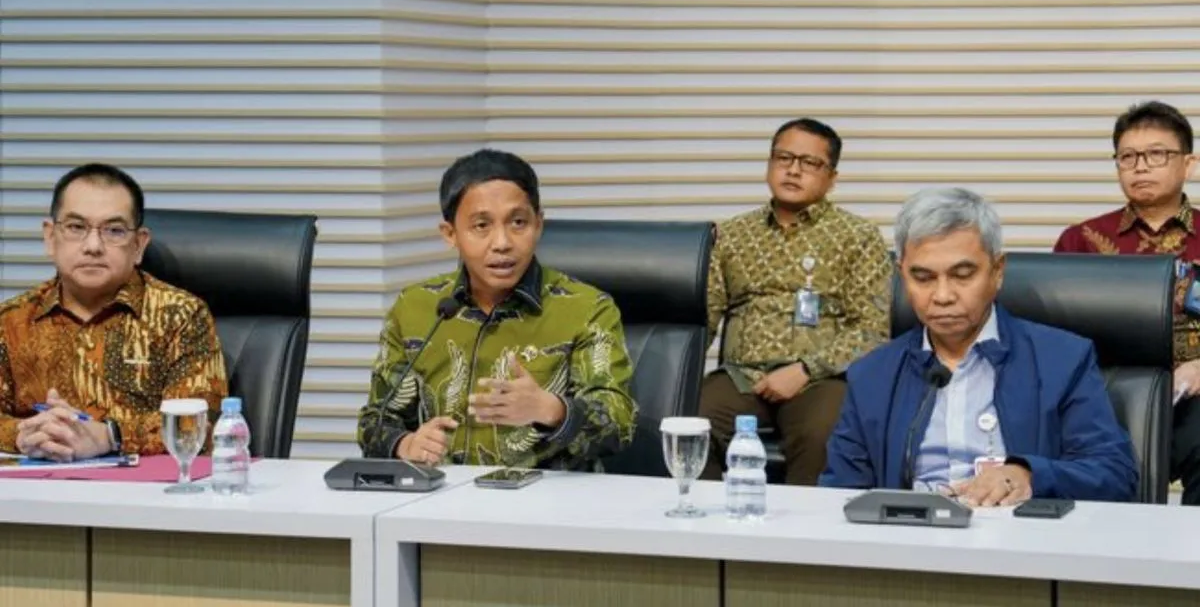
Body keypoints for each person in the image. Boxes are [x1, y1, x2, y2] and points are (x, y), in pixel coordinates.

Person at [821, 188, 1137, 504]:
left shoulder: (1062, 359)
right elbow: (839, 495)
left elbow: (1114, 475)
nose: (942, 296)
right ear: (902, 275)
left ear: (997, 271)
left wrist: (1029, 475)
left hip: (1016, 527)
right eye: (924, 278)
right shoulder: (872, 374)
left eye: (962, 275)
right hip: (910, 530)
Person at [357, 149, 636, 469]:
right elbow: (374, 422)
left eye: (518, 222)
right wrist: (405, 444)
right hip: (444, 493)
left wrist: (551, 410)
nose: (502, 242)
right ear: (450, 234)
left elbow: (620, 422)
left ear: (539, 224)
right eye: (481, 225)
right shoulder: (415, 308)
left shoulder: (587, 309)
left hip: (548, 495)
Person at [700, 118, 892, 485]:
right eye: (784, 158)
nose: (793, 169)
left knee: (824, 435)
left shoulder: (858, 236)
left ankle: (803, 522)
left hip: (821, 379)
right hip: (742, 377)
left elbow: (871, 331)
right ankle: (710, 518)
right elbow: (703, 319)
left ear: (832, 177)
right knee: (691, 424)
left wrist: (806, 369)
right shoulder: (731, 234)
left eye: (809, 162)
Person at [0, 163, 228, 461]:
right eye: (76, 227)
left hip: (146, 488)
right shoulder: (11, 320)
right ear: (50, 237)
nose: (93, 246)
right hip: (37, 484)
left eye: (114, 231)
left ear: (138, 245)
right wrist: (25, 434)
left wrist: (111, 436)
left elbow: (200, 425)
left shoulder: (180, 316)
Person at [1053, 101, 1200, 503]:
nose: (1140, 167)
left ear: (1188, 164)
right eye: (1128, 157)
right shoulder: (1080, 241)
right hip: (1100, 402)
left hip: (1193, 401)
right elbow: (1053, 335)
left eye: (1157, 154)